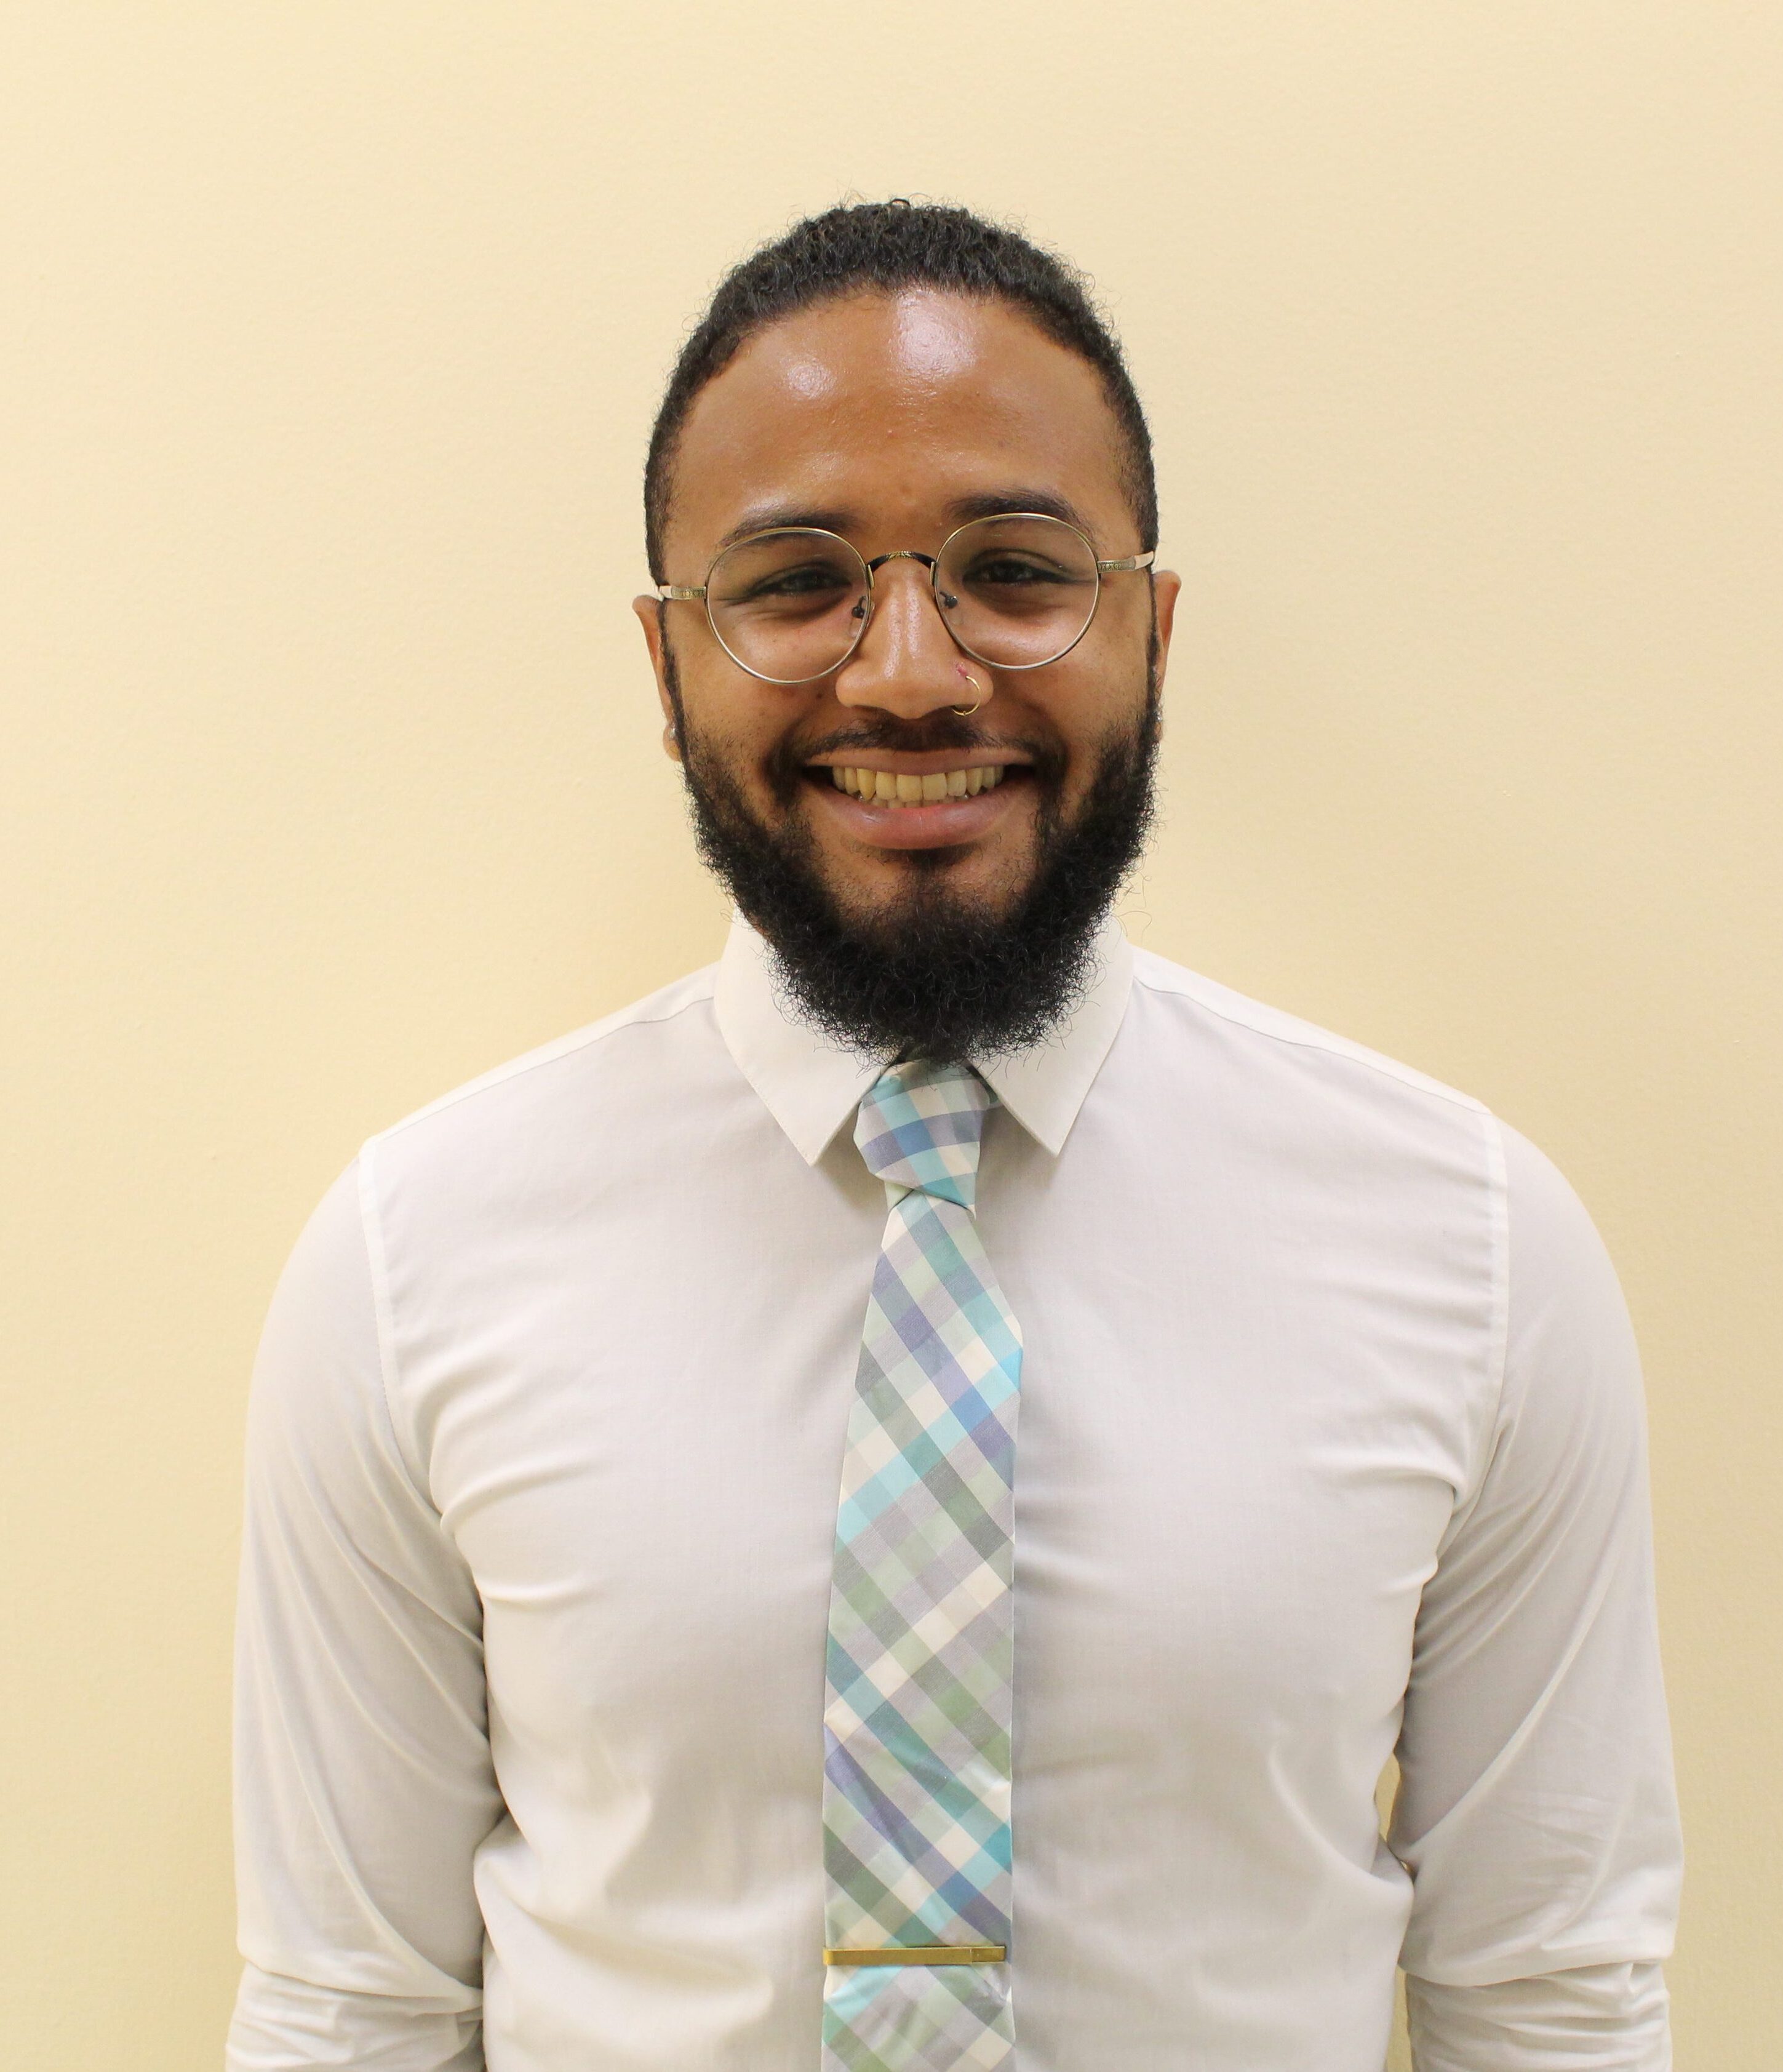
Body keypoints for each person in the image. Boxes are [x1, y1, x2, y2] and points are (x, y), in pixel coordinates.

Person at [227, 201, 1681, 2071]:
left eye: (1013, 569)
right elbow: (352, 2010)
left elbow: (1548, 1997)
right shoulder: (411, 1258)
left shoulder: (1477, 1248)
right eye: (792, 584)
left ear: (1154, 630)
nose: (907, 668)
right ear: (667, 664)